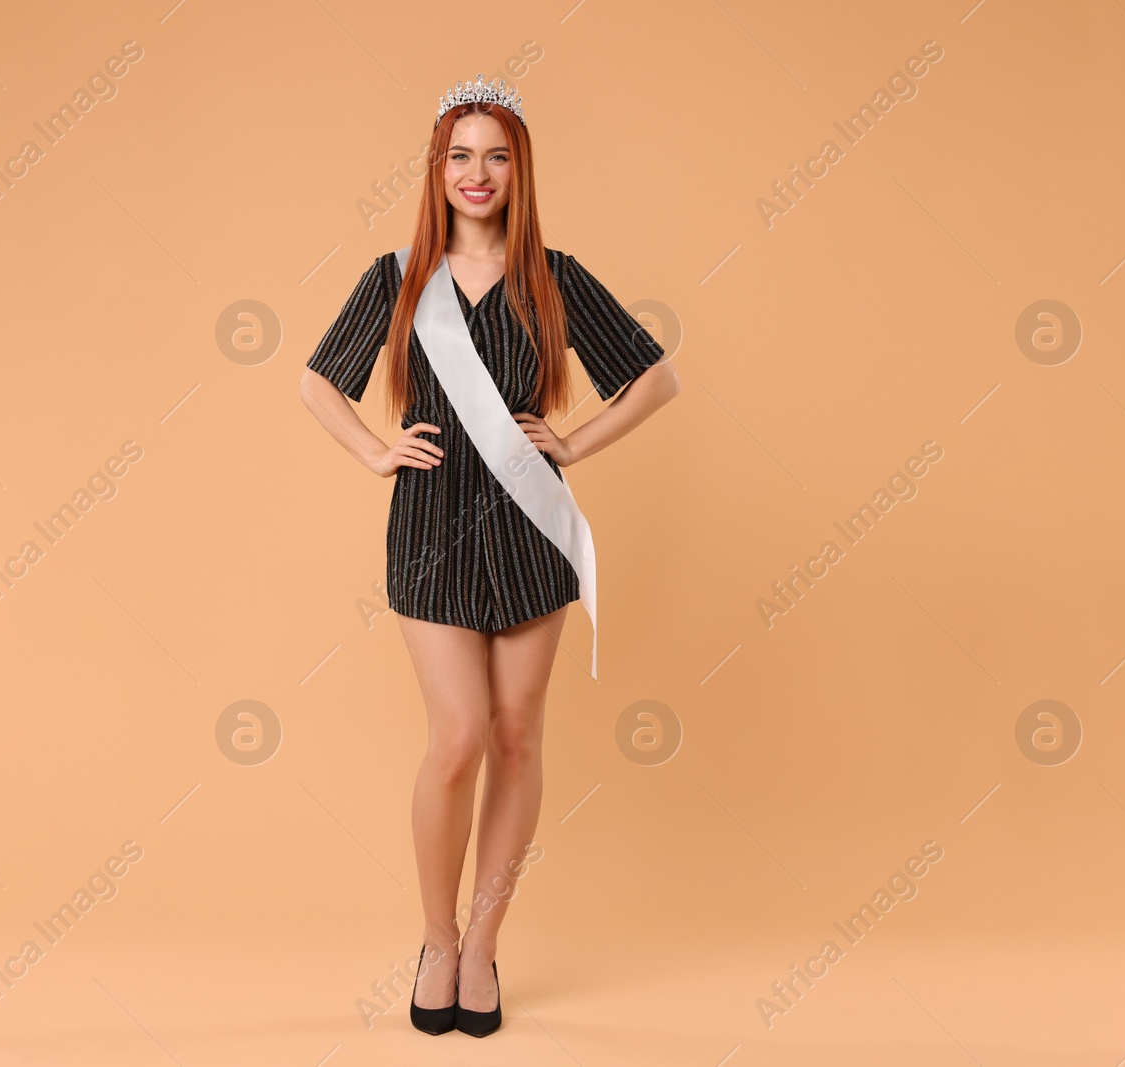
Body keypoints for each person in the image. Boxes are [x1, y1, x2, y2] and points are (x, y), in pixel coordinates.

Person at [297, 74, 680, 1037]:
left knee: (517, 735)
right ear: (437, 168)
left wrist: (576, 442)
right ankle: (435, 937)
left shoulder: (551, 273)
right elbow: (316, 384)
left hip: (530, 529)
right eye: (460, 155)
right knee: (459, 735)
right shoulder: (396, 277)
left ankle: (482, 946)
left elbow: (655, 378)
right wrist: (375, 450)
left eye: (496, 155)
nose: (478, 173)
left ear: (520, 169)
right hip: (429, 533)